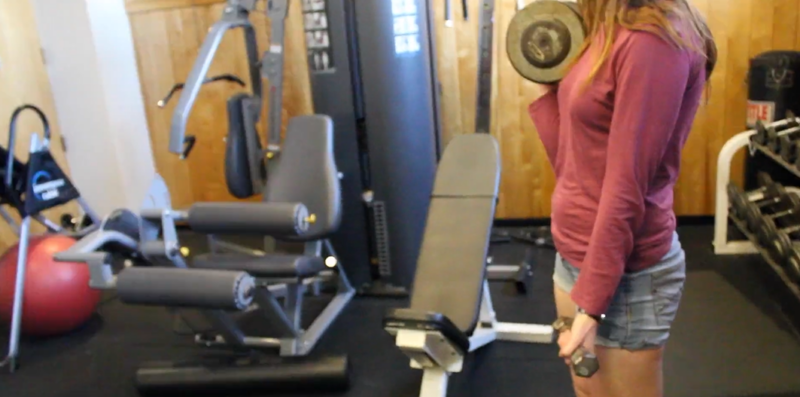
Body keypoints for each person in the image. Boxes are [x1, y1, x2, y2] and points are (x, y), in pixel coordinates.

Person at [526, 1, 717, 396]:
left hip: (627, 278)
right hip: (573, 256)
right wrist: (549, 85)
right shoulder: (601, 25)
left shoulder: (654, 40)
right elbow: (573, 161)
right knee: (588, 392)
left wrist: (592, 304)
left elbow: (627, 187)